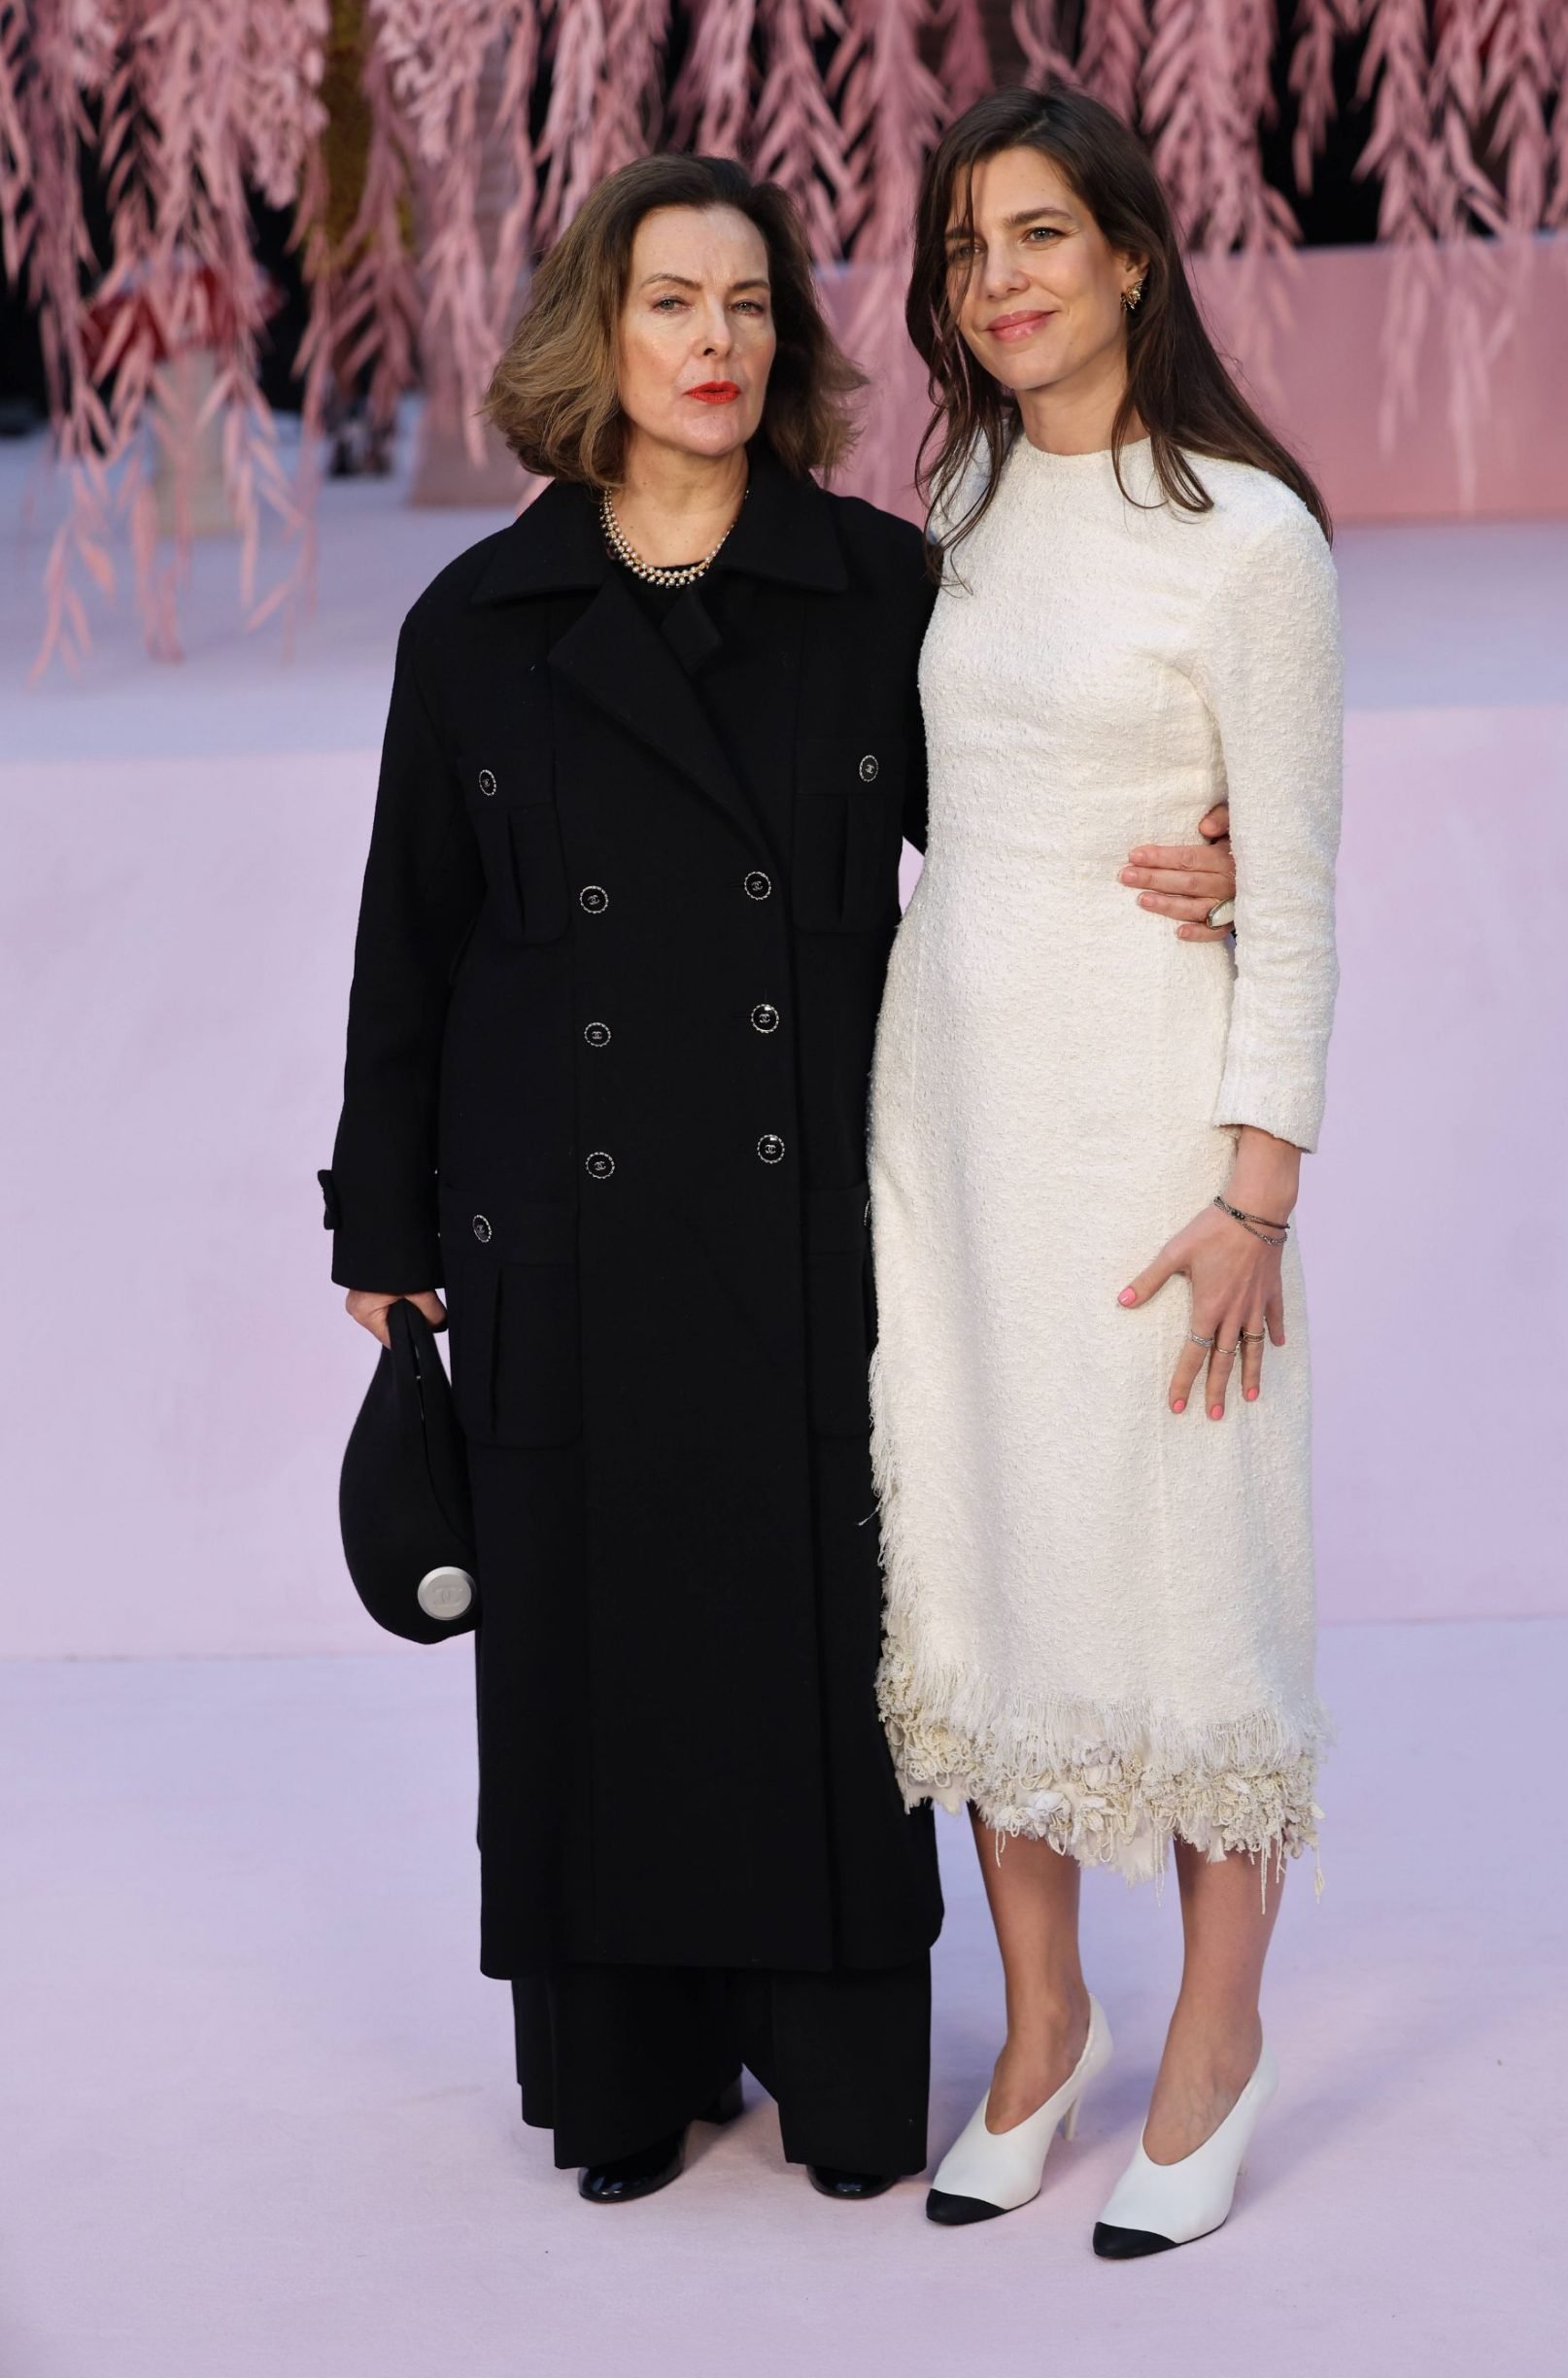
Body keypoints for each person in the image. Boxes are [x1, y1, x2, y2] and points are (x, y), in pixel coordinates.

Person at [321, 150, 1239, 2209]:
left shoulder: (874, 588)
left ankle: (834, 2073)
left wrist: (1227, 848)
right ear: (599, 328)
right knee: (585, 1642)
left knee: (812, 1634)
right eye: (670, 301)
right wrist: (380, 1217)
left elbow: (1015, 840)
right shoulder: (476, 621)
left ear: (788, 339)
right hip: (555, 1217)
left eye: (748, 305)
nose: (713, 342)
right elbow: (412, 933)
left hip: (810, 1203)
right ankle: (621, 2068)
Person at [868, 87, 1343, 2255]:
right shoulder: (956, 490)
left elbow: (1303, 888)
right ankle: (1041, 2017)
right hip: (947, 1119)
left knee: (1180, 1561)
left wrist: (1257, 1191)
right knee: (979, 1545)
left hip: (1152, 1131)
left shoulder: (1248, 536)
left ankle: (1216, 2033)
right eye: (971, 249)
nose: (1002, 283)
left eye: (1042, 237)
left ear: (1135, 256)